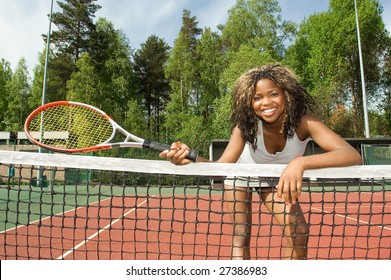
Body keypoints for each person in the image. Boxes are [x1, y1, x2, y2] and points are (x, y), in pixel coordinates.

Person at [159, 64, 362, 260]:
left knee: (298, 232)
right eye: (257, 98)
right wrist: (191, 160)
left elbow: (352, 156)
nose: (265, 102)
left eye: (273, 94)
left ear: (286, 94)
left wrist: (300, 164)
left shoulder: (304, 122)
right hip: (240, 175)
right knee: (241, 235)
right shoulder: (245, 126)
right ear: (249, 102)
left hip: (275, 178)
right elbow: (219, 169)